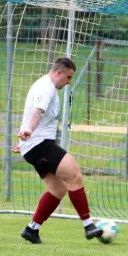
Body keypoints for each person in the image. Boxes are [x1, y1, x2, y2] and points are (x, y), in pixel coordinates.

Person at [14, 57, 102, 244]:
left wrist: (22, 141)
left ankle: (32, 229)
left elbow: (32, 112)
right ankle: (88, 225)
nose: (69, 82)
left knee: (58, 189)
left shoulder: (43, 85)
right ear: (59, 72)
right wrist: (28, 130)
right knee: (75, 176)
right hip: (40, 144)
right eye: (68, 77)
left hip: (32, 147)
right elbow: (37, 111)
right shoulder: (46, 88)